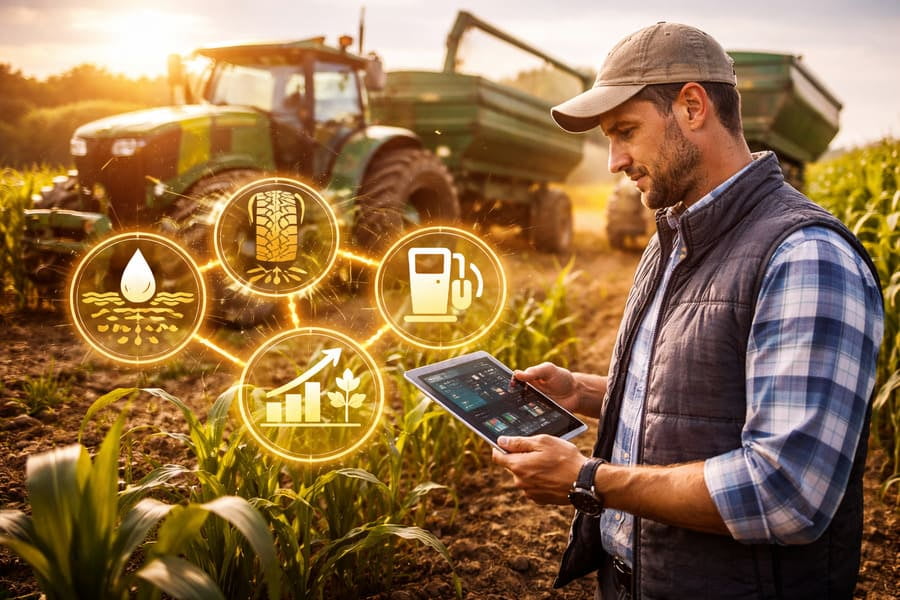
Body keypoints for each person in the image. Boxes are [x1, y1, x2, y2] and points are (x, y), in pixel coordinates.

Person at [491, 22, 884, 599]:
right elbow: (710, 399)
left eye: (625, 131)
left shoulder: (805, 256)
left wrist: (587, 479)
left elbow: (786, 493)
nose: (613, 161)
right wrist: (588, 393)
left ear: (693, 107)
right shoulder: (671, 238)